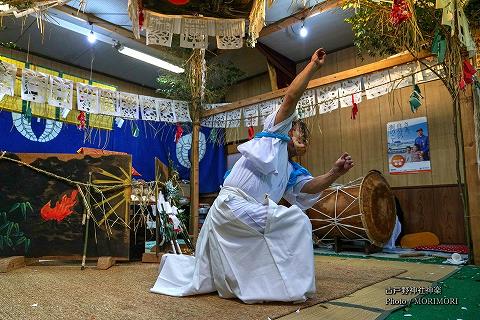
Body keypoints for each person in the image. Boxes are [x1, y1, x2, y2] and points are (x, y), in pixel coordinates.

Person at [151, 48, 354, 304]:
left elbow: (310, 187)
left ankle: (277, 284)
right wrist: (313, 65)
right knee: (297, 222)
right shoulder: (274, 134)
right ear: (290, 131)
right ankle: (289, 287)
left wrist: (335, 172)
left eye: (305, 138)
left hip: (244, 212)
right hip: (231, 206)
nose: (303, 140)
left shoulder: (290, 170)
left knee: (290, 221)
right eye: (300, 133)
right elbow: (291, 97)